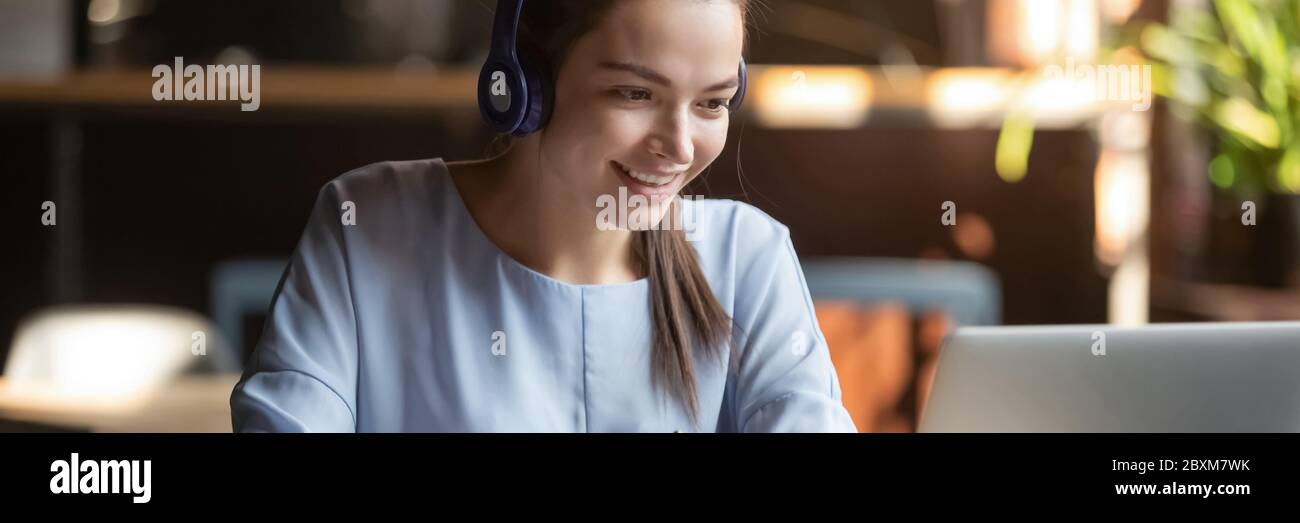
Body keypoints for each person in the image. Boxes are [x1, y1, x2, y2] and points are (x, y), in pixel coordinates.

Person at [230, 0, 857, 432]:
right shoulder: (367, 225)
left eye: (712, 102)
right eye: (635, 94)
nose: (682, 146)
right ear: (525, 82)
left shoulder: (748, 258)